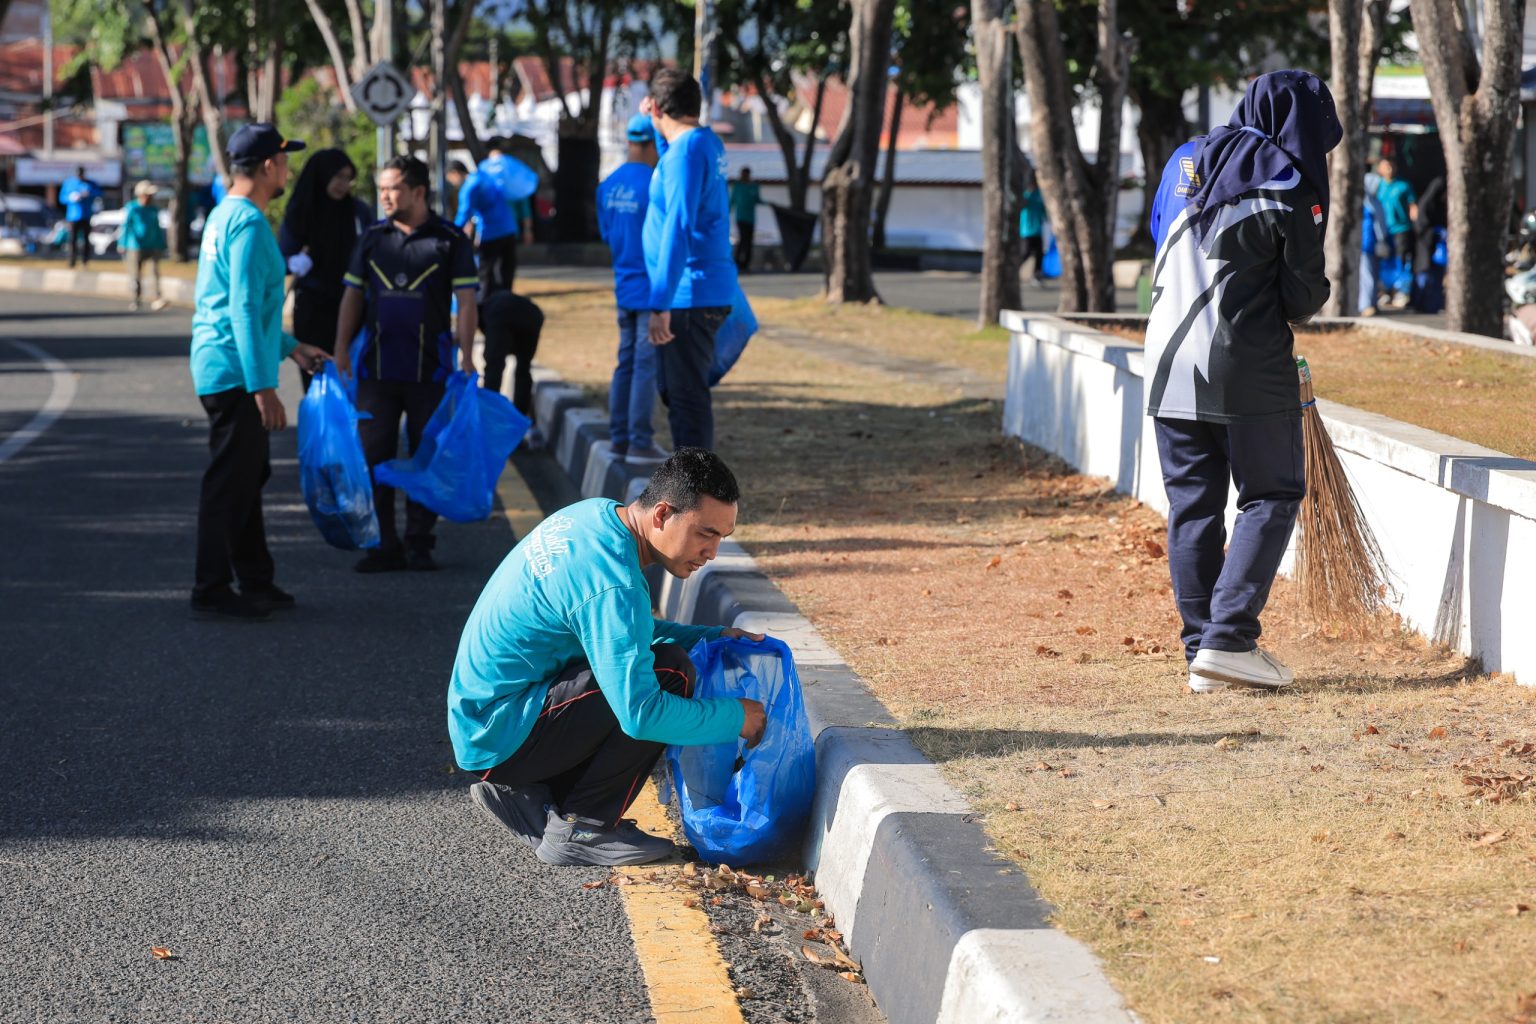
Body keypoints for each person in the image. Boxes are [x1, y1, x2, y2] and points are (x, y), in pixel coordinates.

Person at [450, 448, 768, 866]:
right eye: (705, 533)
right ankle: (584, 828)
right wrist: (737, 717)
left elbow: (622, 630)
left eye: (722, 538)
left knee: (654, 660)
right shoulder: (614, 583)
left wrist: (711, 635)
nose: (712, 552)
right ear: (661, 514)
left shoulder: (597, 516)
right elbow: (641, 714)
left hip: (485, 721)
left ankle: (526, 792)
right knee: (669, 672)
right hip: (498, 736)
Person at [1144, 69, 1340, 694]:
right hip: (1246, 367)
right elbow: (1304, 296)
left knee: (1192, 506)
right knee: (1271, 494)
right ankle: (1229, 639)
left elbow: (1160, 241)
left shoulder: (1182, 162)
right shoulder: (1289, 179)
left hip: (1167, 364)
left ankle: (1201, 649)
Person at [188, 123, 329, 621]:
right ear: (269, 165)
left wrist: (292, 348)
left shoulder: (225, 213)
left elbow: (248, 306)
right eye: (284, 159)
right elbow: (243, 309)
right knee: (230, 479)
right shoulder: (247, 224)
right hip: (234, 369)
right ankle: (211, 586)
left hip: (222, 362)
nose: (287, 167)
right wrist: (263, 387)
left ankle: (255, 578)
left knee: (249, 473)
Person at [335, 155, 479, 574]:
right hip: (375, 371)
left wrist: (467, 354)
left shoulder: (450, 239)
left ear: (417, 191)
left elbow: (467, 301)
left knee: (425, 457)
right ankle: (384, 544)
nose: (384, 195)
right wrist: (341, 347)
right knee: (372, 456)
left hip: (430, 372)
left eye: (393, 187)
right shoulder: (371, 239)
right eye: (381, 187)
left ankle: (420, 542)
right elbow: (352, 297)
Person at [641, 69, 739, 452]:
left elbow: (678, 227)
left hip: (688, 294)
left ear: (660, 107)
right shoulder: (703, 142)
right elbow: (671, 163)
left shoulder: (686, 153)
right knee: (678, 390)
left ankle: (695, 497)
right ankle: (694, 487)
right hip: (701, 290)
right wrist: (655, 126)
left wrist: (660, 303)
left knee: (685, 398)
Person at [598, 113, 668, 465]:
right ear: (652, 142)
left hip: (623, 286)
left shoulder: (607, 185)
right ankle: (640, 440)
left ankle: (619, 439)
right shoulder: (656, 183)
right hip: (650, 290)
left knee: (625, 364)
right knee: (644, 366)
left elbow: (607, 235)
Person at [279, 148, 373, 393]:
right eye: (338, 176)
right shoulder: (302, 211)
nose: (343, 184)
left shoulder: (357, 212)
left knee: (352, 380)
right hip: (313, 307)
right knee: (318, 379)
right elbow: (282, 256)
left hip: (353, 305)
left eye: (348, 178)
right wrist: (295, 262)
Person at [480, 289, 545, 445]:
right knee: (523, 369)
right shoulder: (495, 304)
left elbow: (492, 362)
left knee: (493, 368)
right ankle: (520, 425)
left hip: (505, 314)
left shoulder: (488, 312)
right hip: (534, 317)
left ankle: (488, 422)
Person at [448, 158, 517, 301]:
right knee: (505, 272)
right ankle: (506, 303)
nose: (453, 184)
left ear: (455, 173)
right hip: (509, 227)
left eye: (450, 180)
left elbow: (463, 213)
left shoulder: (469, 187)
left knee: (486, 273)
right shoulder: (484, 176)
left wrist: (451, 233)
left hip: (491, 232)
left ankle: (483, 307)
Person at [1375, 158, 1417, 309]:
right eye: (1386, 166)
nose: (1389, 169)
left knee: (1402, 260)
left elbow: (1413, 206)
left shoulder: (1404, 185)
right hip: (1382, 230)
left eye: (1392, 166)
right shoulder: (1377, 186)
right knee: (1385, 261)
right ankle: (1385, 291)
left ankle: (1402, 291)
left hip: (1401, 229)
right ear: (1380, 169)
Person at [121, 180, 168, 312]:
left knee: (154, 272)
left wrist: (161, 243)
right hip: (135, 246)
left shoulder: (153, 209)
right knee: (135, 274)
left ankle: (157, 297)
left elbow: (157, 227)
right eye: (147, 195)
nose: (150, 197)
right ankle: (135, 298)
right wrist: (122, 243)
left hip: (152, 245)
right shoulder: (132, 208)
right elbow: (126, 226)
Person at [58, 166, 101, 268]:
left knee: (86, 240)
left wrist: (88, 194)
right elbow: (62, 198)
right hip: (73, 216)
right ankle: (71, 261)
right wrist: (70, 198)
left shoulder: (90, 183)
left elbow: (99, 192)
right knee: (72, 240)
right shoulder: (69, 183)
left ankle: (85, 261)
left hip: (86, 215)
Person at [728, 166, 761, 272]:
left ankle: (746, 264)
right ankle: (737, 263)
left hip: (750, 218)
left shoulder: (754, 186)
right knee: (742, 240)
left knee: (749, 241)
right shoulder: (737, 186)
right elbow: (732, 201)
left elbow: (757, 200)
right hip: (740, 218)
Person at [1019, 172, 1048, 282]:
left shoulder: (1039, 194)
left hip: (1038, 230)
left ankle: (1037, 275)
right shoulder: (1026, 195)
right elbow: (1022, 205)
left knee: (1039, 253)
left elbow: (1044, 211)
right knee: (1025, 252)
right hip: (1026, 230)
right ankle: (1013, 270)